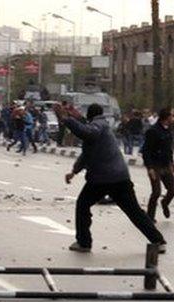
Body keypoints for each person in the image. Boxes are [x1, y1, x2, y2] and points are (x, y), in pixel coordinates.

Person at [61, 104, 167, 254]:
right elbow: (86, 154)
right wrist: (74, 171)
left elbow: (88, 133)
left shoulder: (98, 125)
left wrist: (67, 120)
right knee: (134, 211)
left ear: (90, 115)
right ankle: (158, 240)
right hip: (119, 177)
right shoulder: (101, 126)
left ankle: (84, 243)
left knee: (83, 205)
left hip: (102, 178)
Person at [142, 108, 174, 222]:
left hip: (165, 165)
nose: (173, 118)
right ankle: (150, 216)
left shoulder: (169, 130)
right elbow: (146, 150)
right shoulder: (153, 131)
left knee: (172, 189)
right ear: (166, 118)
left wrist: (172, 162)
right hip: (155, 165)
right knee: (156, 192)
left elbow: (169, 149)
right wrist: (150, 168)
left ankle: (165, 203)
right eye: (171, 116)